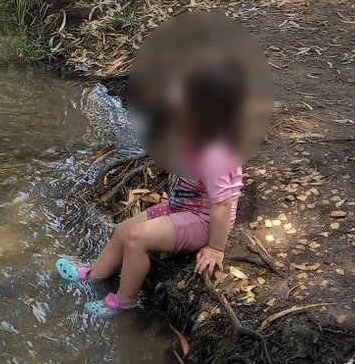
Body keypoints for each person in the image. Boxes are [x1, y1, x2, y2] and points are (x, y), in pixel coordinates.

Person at [56, 60, 245, 314]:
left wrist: (215, 248)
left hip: (204, 220)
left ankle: (124, 301)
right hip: (184, 207)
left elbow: (222, 204)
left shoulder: (214, 153)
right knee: (124, 229)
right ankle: (96, 275)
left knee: (138, 238)